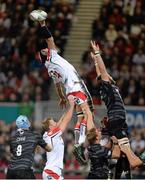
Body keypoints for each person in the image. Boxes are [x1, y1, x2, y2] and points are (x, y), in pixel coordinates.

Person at [30, 10, 94, 148]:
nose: (46, 49)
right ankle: (86, 142)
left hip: (69, 90)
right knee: (88, 111)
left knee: (81, 114)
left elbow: (58, 86)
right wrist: (43, 24)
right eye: (44, 50)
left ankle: (79, 141)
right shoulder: (52, 56)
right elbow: (50, 39)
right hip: (76, 85)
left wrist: (62, 98)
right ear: (44, 55)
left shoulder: (50, 69)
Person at [90, 41, 142, 169]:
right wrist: (97, 54)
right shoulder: (107, 87)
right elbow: (102, 71)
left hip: (115, 118)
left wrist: (95, 61)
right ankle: (132, 160)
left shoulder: (107, 88)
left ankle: (125, 162)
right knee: (123, 141)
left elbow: (100, 73)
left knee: (121, 143)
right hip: (116, 118)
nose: (107, 75)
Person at [6, 115, 51, 179]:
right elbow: (49, 149)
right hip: (24, 170)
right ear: (27, 122)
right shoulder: (34, 135)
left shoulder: (13, 137)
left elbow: (12, 153)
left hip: (11, 171)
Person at [42, 95, 75, 179]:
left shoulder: (52, 135)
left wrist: (65, 112)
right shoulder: (50, 135)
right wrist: (71, 105)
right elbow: (66, 121)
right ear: (50, 127)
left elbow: (62, 121)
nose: (56, 122)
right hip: (51, 171)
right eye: (53, 122)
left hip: (53, 171)